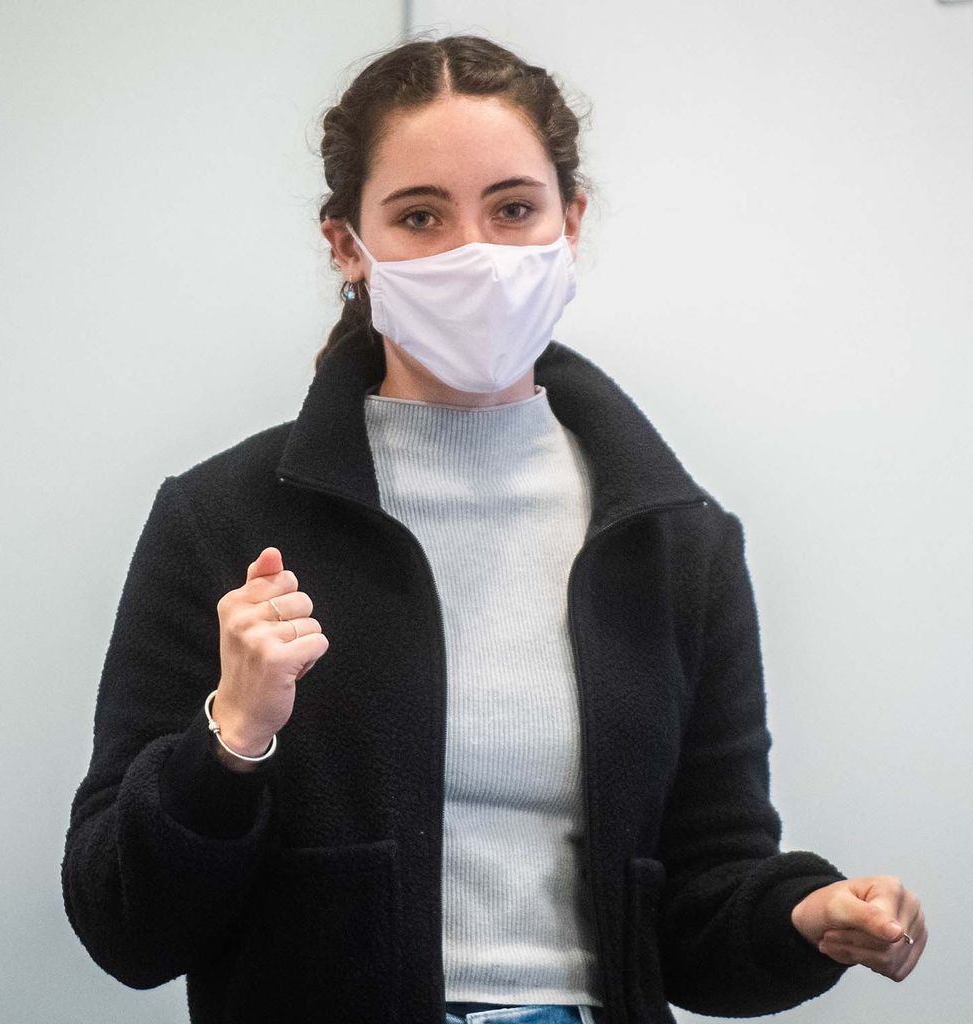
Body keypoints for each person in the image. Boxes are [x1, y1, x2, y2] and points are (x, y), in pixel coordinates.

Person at [61, 33, 927, 1024]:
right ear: (346, 243)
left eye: (513, 208)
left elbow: (698, 902)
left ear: (572, 220)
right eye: (420, 216)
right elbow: (122, 926)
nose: (474, 252)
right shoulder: (221, 519)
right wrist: (233, 738)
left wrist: (802, 914)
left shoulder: (676, 540)